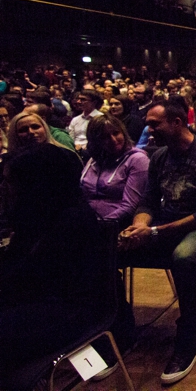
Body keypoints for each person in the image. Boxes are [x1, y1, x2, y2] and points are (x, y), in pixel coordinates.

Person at [118, 99, 196, 384]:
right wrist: (139, 224)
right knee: (113, 248)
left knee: (184, 257)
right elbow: (148, 200)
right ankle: (119, 326)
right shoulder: (159, 157)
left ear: (177, 122)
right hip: (168, 221)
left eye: (155, 124)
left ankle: (189, 337)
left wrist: (156, 231)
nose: (148, 128)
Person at [0, 144, 107, 378]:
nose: (4, 188)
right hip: (37, 300)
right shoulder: (38, 211)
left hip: (68, 309)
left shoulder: (71, 220)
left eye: (10, 182)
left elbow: (29, 278)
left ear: (35, 183)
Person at [81, 114, 149, 224]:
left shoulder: (137, 159)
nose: (113, 139)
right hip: (87, 220)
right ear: (95, 141)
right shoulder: (95, 159)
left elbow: (130, 206)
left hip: (114, 224)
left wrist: (100, 224)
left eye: (116, 133)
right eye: (104, 137)